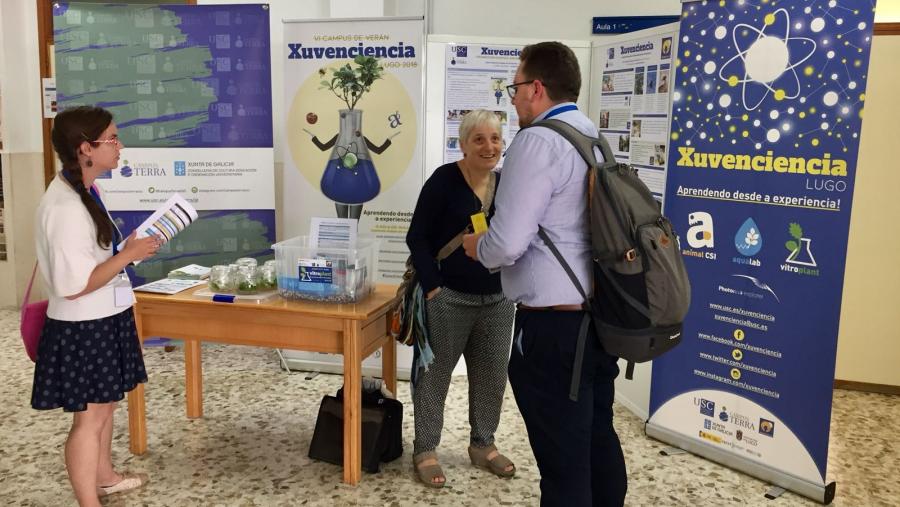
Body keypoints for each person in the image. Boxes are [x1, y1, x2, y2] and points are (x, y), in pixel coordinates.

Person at [462, 42, 627, 506]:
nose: (512, 99)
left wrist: (480, 246)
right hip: (596, 319)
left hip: (554, 329)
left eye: (515, 88)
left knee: (562, 460)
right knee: (597, 440)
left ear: (536, 88)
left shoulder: (537, 141)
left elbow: (508, 243)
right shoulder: (590, 134)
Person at [31, 106, 162, 507]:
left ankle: (105, 477)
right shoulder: (66, 208)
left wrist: (126, 249)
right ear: (86, 148)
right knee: (89, 420)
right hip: (83, 327)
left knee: (104, 409)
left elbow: (92, 260)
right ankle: (88, 500)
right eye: (112, 139)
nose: (120, 146)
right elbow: (74, 286)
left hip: (103, 318)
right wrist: (127, 256)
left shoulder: (85, 192)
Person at [406, 109, 516, 488]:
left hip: (498, 300)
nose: (489, 146)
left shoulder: (507, 183)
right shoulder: (443, 180)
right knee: (434, 377)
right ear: (463, 143)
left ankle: (483, 444)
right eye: (479, 139)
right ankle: (425, 449)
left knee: (491, 377)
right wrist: (434, 286)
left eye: (495, 138)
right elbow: (417, 237)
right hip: (449, 297)